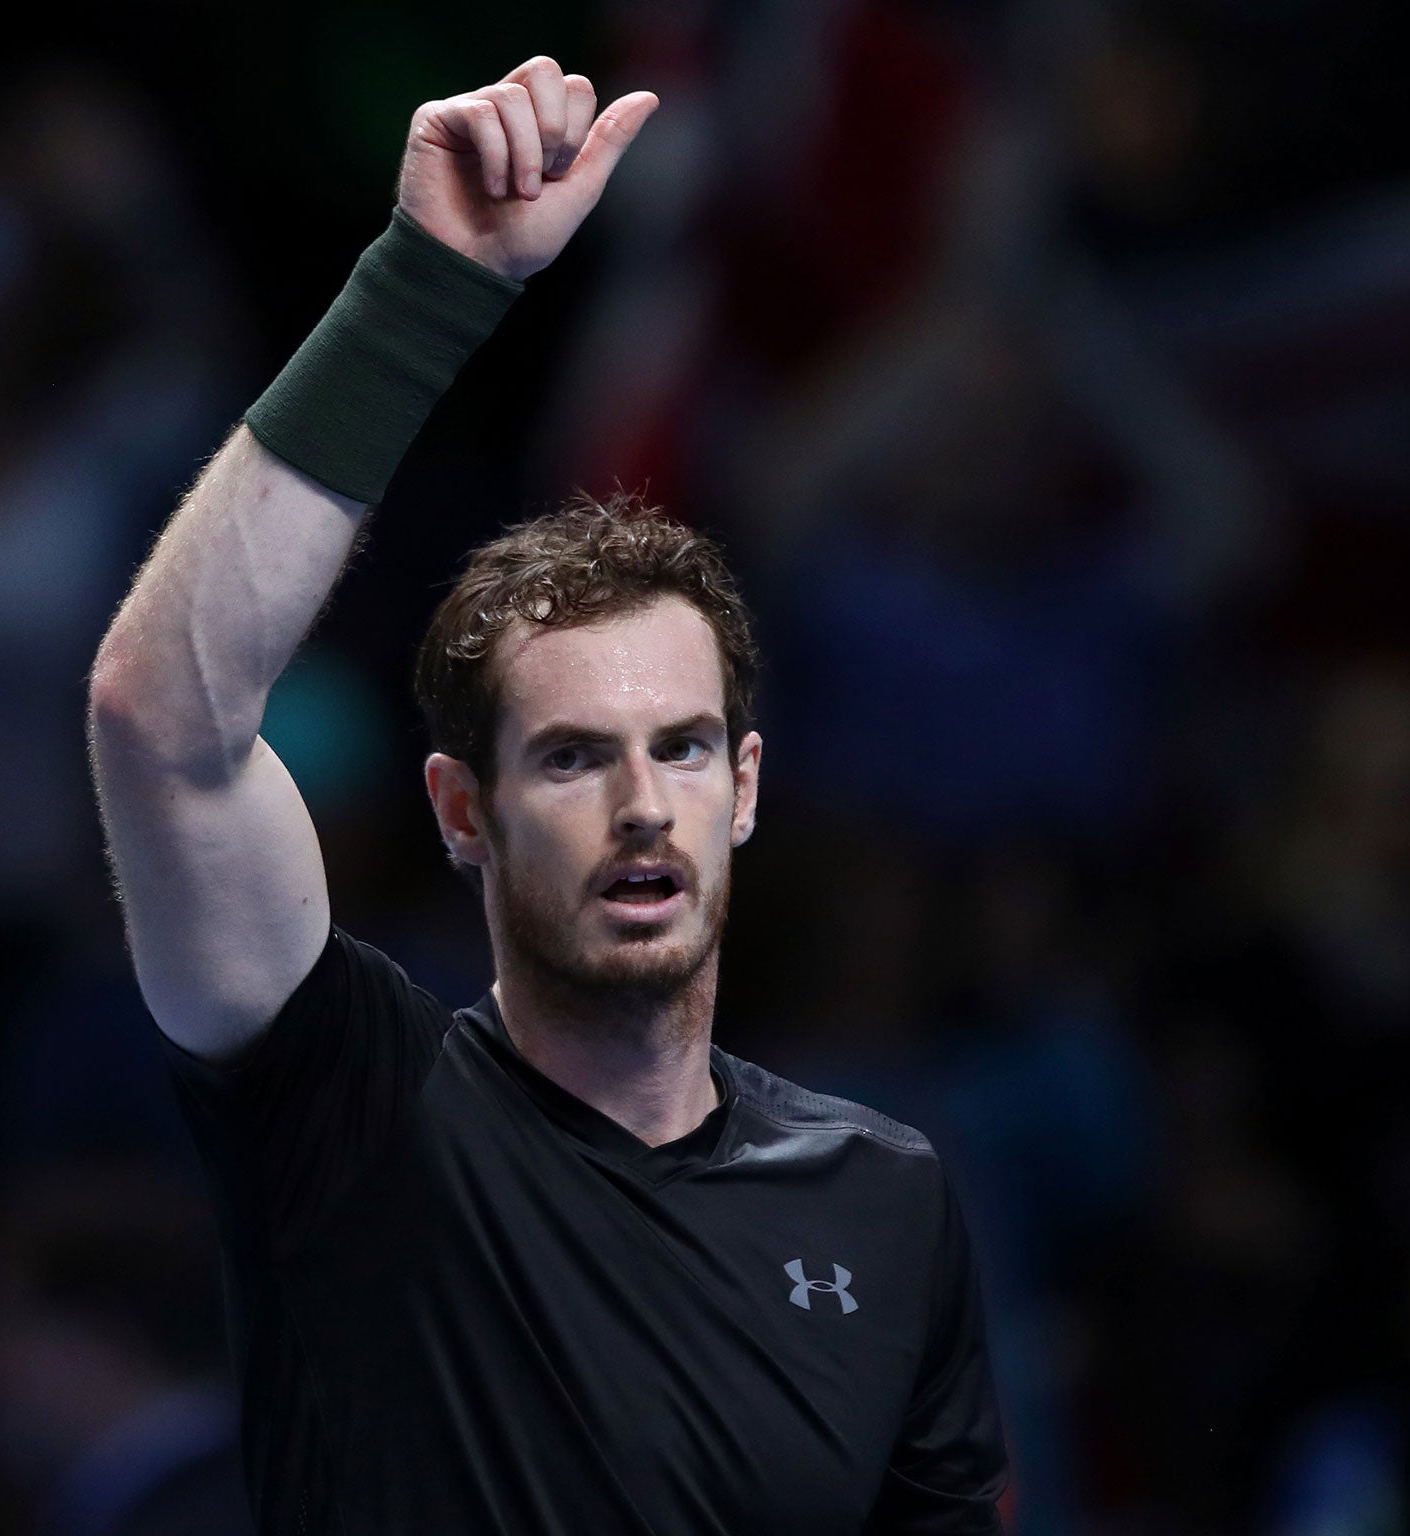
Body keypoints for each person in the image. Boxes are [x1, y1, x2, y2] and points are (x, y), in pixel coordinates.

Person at [86, 54, 1012, 1534]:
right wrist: (422, 287)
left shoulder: (883, 1198)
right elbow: (165, 719)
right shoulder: (357, 1103)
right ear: (465, 813)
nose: (643, 801)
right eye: (574, 756)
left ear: (747, 787)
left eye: (685, 748)